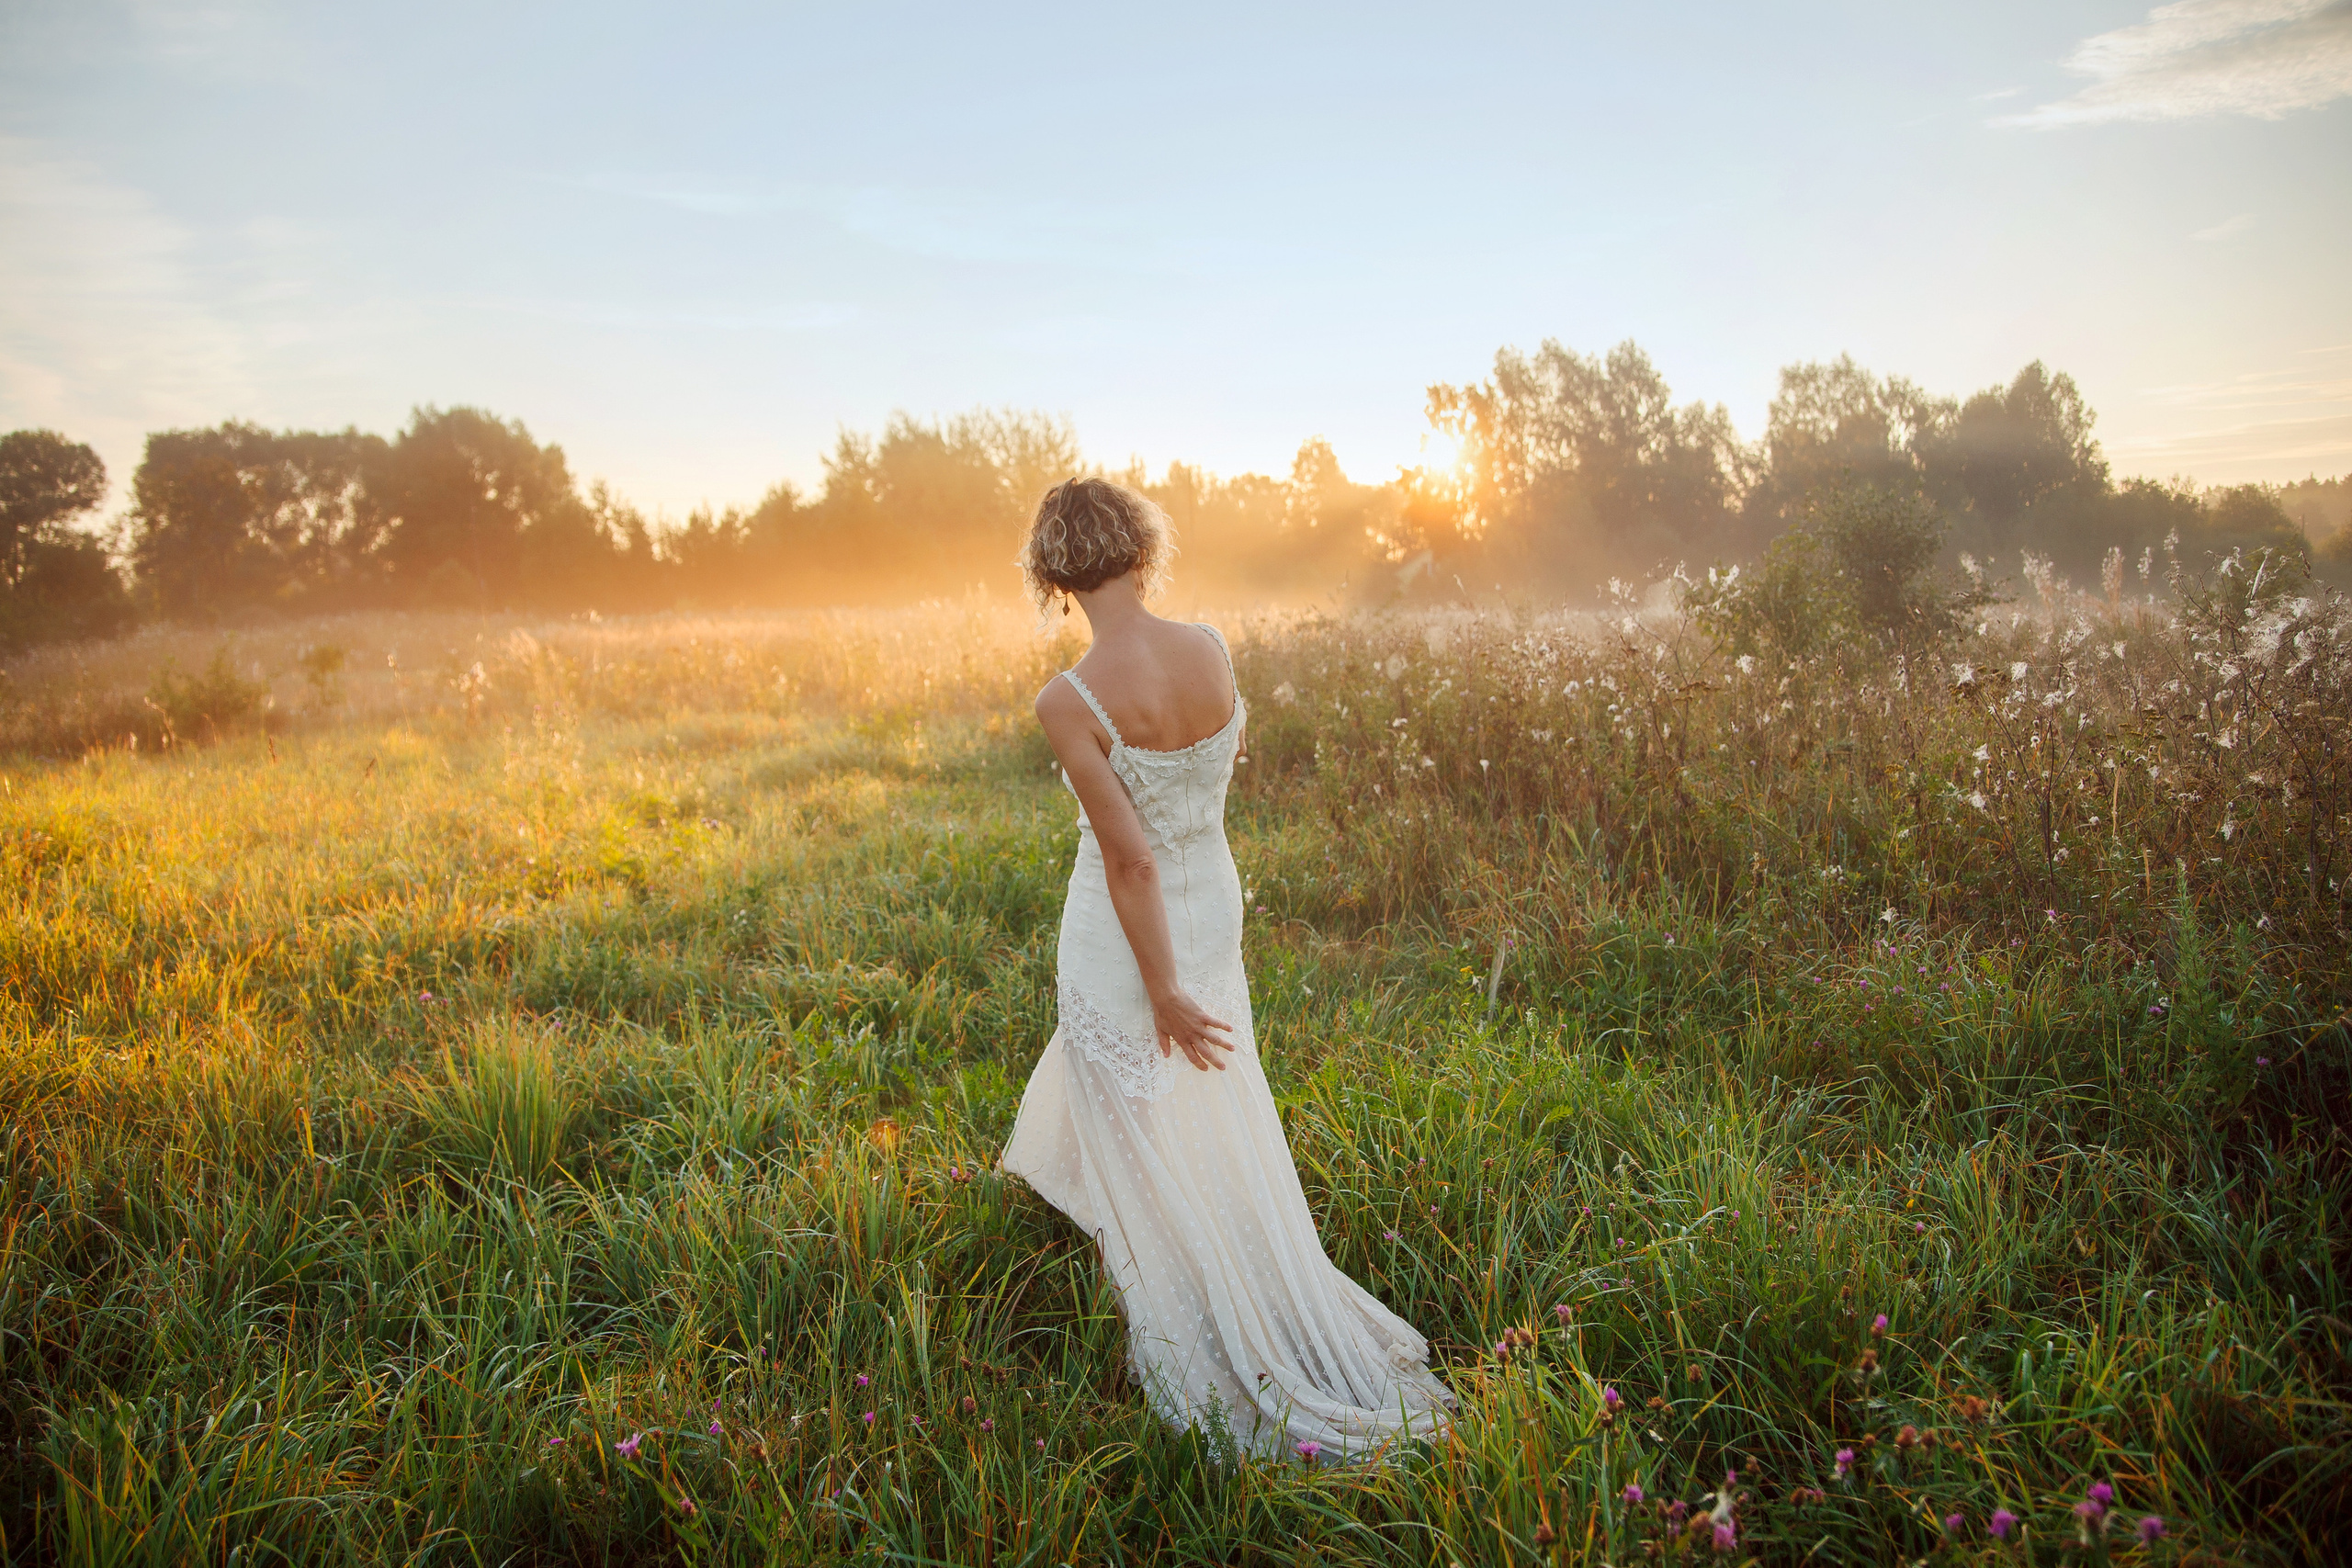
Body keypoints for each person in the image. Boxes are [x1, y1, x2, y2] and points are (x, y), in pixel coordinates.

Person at [1000, 477, 1453, 1461]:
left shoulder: (1067, 698)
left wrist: (1161, 989)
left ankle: (1178, 1305)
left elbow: (1129, 860)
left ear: (1054, 576)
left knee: (1134, 1109)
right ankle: (1199, 1260)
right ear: (1140, 549)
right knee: (1208, 1092)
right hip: (1213, 903)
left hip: (1128, 934)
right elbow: (1215, 771)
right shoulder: (1208, 648)